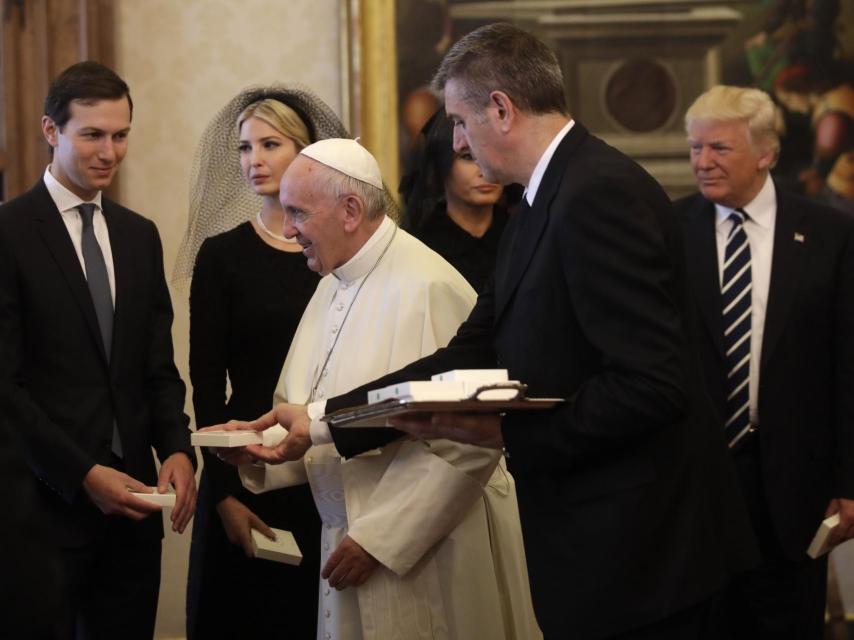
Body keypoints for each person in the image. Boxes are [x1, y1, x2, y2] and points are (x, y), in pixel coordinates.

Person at [240, 24, 759, 639]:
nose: (456, 139)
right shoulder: (543, 198)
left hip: (645, 552)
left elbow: (652, 385)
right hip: (604, 549)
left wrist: (509, 432)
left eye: (460, 121)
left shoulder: (598, 193)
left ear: (501, 109)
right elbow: (469, 351)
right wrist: (323, 419)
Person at [214, 138, 541, 640]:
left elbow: (467, 442)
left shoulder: (429, 285)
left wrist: (382, 539)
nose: (287, 229)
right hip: (346, 538)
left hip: (429, 548)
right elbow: (308, 413)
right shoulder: (331, 281)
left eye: (297, 211)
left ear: (349, 210)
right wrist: (263, 452)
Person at [0, 61, 195, 639]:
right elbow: (4, 386)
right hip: (39, 511)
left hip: (134, 512)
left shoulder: (139, 235)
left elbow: (156, 366)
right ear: (51, 131)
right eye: (92, 134)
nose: (109, 151)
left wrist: (178, 449)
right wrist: (84, 473)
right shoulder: (8, 233)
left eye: (121, 135)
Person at [675, 84, 854, 639]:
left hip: (794, 485)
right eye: (695, 148)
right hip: (697, 484)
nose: (703, 162)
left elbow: (847, 365)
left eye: (719, 148)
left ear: (766, 153)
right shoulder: (668, 230)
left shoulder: (830, 235)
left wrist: (849, 481)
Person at [174, 86, 348, 639]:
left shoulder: (337, 253)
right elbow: (205, 387)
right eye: (245, 148)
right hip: (242, 466)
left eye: (270, 144)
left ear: (306, 152)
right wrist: (222, 495)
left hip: (323, 464)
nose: (254, 161)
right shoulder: (222, 255)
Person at [401, 108, 516, 291]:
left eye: (493, 154)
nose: (484, 170)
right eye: (468, 157)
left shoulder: (520, 235)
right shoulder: (421, 247)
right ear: (442, 166)